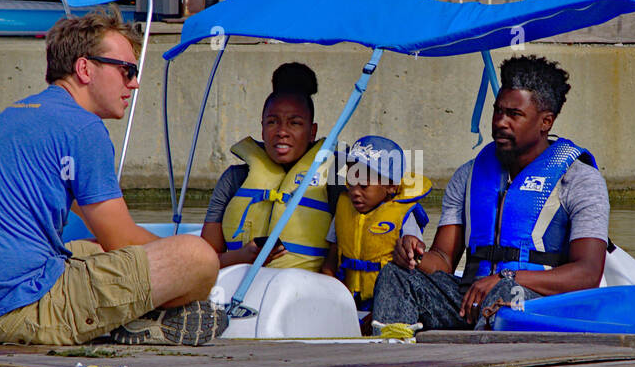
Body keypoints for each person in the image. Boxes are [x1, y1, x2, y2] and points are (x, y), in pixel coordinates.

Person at [0, 8, 225, 346]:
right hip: (22, 311)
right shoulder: (83, 128)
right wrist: (190, 263)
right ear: (85, 68)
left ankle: (138, 317)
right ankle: (139, 322)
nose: (134, 82)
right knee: (198, 258)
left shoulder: (23, 113)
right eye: (126, 70)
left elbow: (109, 238)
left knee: (94, 249)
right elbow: (124, 240)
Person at [371, 54, 608, 331]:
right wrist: (414, 256)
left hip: (538, 306)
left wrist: (507, 278)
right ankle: (394, 358)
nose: (500, 123)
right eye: (498, 111)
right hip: (470, 301)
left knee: (504, 295)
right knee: (396, 275)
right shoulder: (468, 175)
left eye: (514, 115)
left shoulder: (580, 180)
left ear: (546, 122)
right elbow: (444, 260)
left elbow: (588, 274)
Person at [201, 62, 333, 271]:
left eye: (295, 123)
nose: (282, 131)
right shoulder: (234, 179)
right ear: (262, 129)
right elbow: (203, 262)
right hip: (240, 289)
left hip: (307, 293)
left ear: (312, 131)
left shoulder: (334, 180)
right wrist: (242, 256)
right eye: (272, 122)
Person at [321, 134, 432, 312]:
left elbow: (414, 255)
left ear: (391, 186)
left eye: (364, 185)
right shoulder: (343, 209)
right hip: (347, 302)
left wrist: (412, 246)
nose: (355, 192)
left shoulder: (404, 216)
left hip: (389, 304)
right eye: (351, 182)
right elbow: (331, 261)